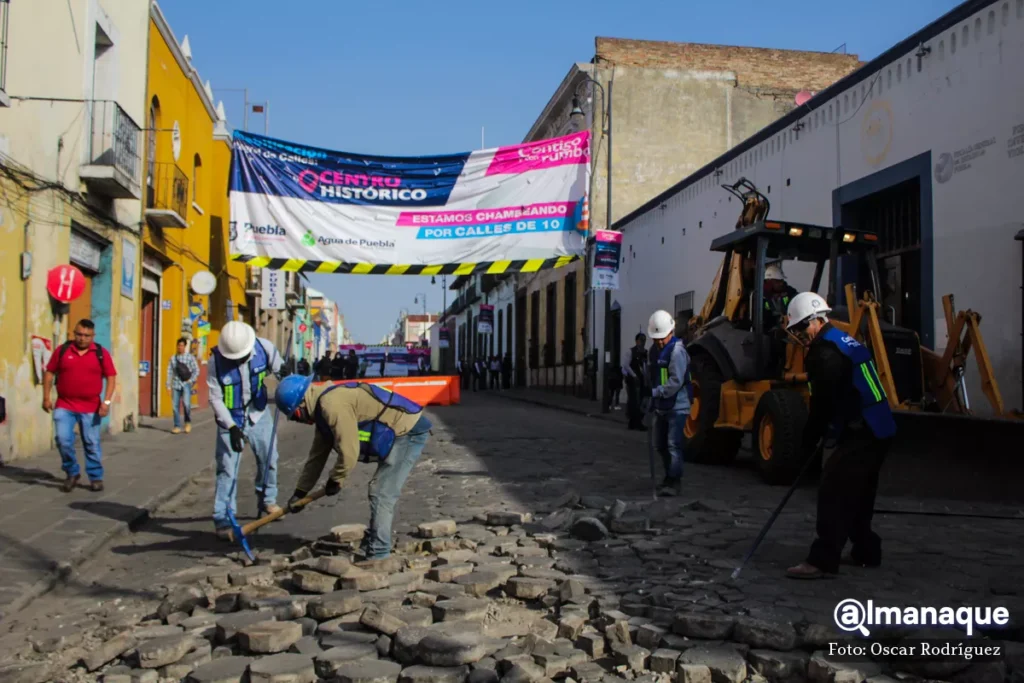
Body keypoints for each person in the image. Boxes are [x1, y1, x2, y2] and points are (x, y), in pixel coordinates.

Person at [783, 292, 897, 579]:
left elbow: (823, 405)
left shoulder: (825, 354)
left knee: (834, 490)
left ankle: (822, 560)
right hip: (880, 426)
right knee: (859, 491)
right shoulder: (844, 340)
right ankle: (866, 551)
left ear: (814, 321)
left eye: (799, 328)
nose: (798, 335)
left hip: (863, 428)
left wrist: (809, 442)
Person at [275, 374, 433, 561]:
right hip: (394, 433)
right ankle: (374, 539)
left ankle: (379, 554)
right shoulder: (322, 406)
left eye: (295, 416)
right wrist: (300, 492)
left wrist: (336, 479)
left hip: (408, 432)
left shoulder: (331, 405)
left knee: (381, 491)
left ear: (301, 404)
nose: (298, 421)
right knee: (379, 489)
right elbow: (317, 456)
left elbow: (349, 452)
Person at [207, 321, 284, 540]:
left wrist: (286, 374)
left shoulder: (265, 349)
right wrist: (231, 427)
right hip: (230, 420)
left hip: (259, 415)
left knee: (270, 459)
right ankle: (223, 516)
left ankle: (268, 499)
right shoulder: (215, 362)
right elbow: (215, 398)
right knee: (227, 469)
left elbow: (282, 372)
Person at [43, 319, 118, 493]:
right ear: (73, 333)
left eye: (86, 335)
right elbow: (49, 372)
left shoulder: (100, 353)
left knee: (91, 442)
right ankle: (72, 472)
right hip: (64, 404)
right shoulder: (62, 350)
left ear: (93, 336)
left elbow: (111, 378)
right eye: (79, 334)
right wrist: (46, 397)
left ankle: (95, 476)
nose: (82, 338)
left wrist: (106, 402)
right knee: (63, 440)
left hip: (91, 406)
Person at [647, 310, 691, 497]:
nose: (659, 341)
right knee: (660, 445)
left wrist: (657, 392)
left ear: (670, 332)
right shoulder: (656, 352)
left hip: (677, 406)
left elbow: (676, 381)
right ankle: (668, 476)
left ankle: (674, 481)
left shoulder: (677, 351)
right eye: (656, 338)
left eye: (662, 337)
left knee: (673, 444)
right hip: (662, 406)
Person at [167, 337, 200, 434]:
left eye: (182, 345)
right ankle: (177, 426)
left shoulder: (190, 357)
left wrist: (191, 380)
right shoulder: (173, 358)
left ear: (185, 346)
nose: (180, 347)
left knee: (186, 404)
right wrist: (168, 385)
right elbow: (169, 372)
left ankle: (187, 422)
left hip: (186, 384)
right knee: (175, 406)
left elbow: (196, 370)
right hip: (176, 384)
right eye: (179, 345)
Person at [763, 262, 799, 331]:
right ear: (769, 282)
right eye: (777, 281)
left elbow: (797, 301)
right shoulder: (761, 297)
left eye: (781, 281)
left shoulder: (789, 292)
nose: (781, 284)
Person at [623, 333, 648, 431]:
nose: (643, 342)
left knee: (642, 400)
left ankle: (635, 421)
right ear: (637, 341)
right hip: (634, 380)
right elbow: (626, 365)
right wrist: (633, 375)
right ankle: (635, 422)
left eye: (644, 340)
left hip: (642, 380)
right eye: (641, 340)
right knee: (635, 401)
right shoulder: (631, 351)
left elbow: (646, 366)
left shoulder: (645, 352)